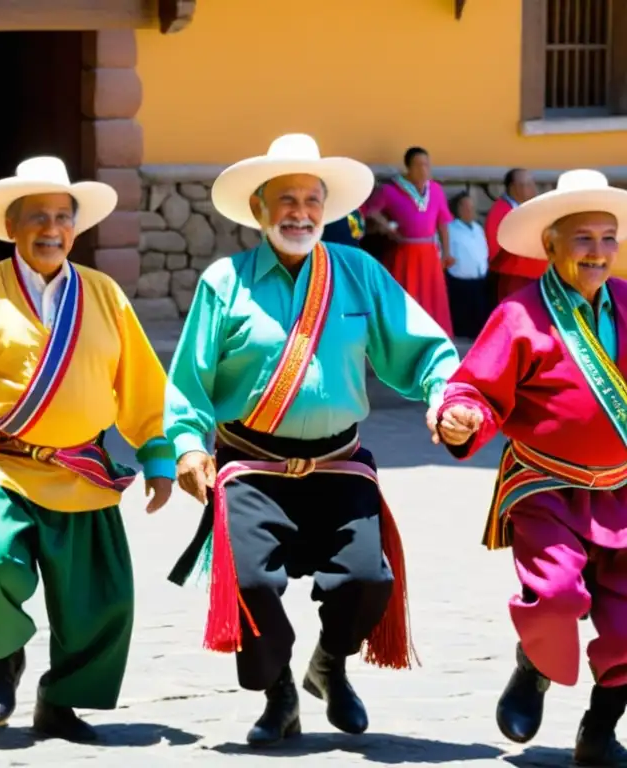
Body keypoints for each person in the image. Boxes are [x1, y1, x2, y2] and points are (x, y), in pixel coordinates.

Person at [164, 133, 461, 747]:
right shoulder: (225, 281)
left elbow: (425, 349)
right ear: (259, 211)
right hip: (251, 466)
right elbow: (189, 379)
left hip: (337, 462)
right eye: (286, 200)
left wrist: (444, 395)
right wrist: (188, 444)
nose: (300, 212)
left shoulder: (358, 273)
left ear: (327, 209)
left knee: (367, 582)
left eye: (311, 200)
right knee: (251, 589)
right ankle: (279, 695)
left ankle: (329, 666)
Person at [0, 156, 175, 743]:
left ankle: (60, 702)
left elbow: (141, 383)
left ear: (75, 229)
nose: (51, 229)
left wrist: (157, 453)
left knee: (103, 600)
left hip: (82, 470)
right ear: (11, 227)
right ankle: (7, 657)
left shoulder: (103, 294)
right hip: (3, 468)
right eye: (37, 218)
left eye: (62, 217)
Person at [432, 169, 627, 766]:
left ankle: (599, 730)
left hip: (621, 495)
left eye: (607, 238)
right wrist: (460, 415)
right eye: (582, 239)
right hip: (545, 488)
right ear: (551, 244)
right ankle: (533, 665)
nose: (597, 253)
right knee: (556, 597)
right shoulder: (519, 315)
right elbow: (475, 388)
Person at [363, 146, 455, 336]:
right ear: (408, 167)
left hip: (429, 252)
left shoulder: (436, 190)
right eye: (418, 165)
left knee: (432, 298)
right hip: (403, 252)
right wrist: (387, 227)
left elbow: (443, 224)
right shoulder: (390, 190)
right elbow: (370, 212)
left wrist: (447, 252)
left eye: (426, 165)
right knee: (404, 297)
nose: (423, 169)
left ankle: (433, 336)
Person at [485, 168, 540, 304]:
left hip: (532, 276)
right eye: (527, 184)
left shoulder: (526, 208)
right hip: (513, 278)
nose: (533, 189)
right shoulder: (500, 211)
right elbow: (495, 251)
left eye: (532, 184)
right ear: (513, 187)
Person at [445, 191, 490, 338]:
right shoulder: (450, 229)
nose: (470, 210)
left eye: (471, 207)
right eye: (465, 207)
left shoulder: (478, 228)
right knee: (462, 324)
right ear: (457, 209)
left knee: (479, 323)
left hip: (479, 281)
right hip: (460, 283)